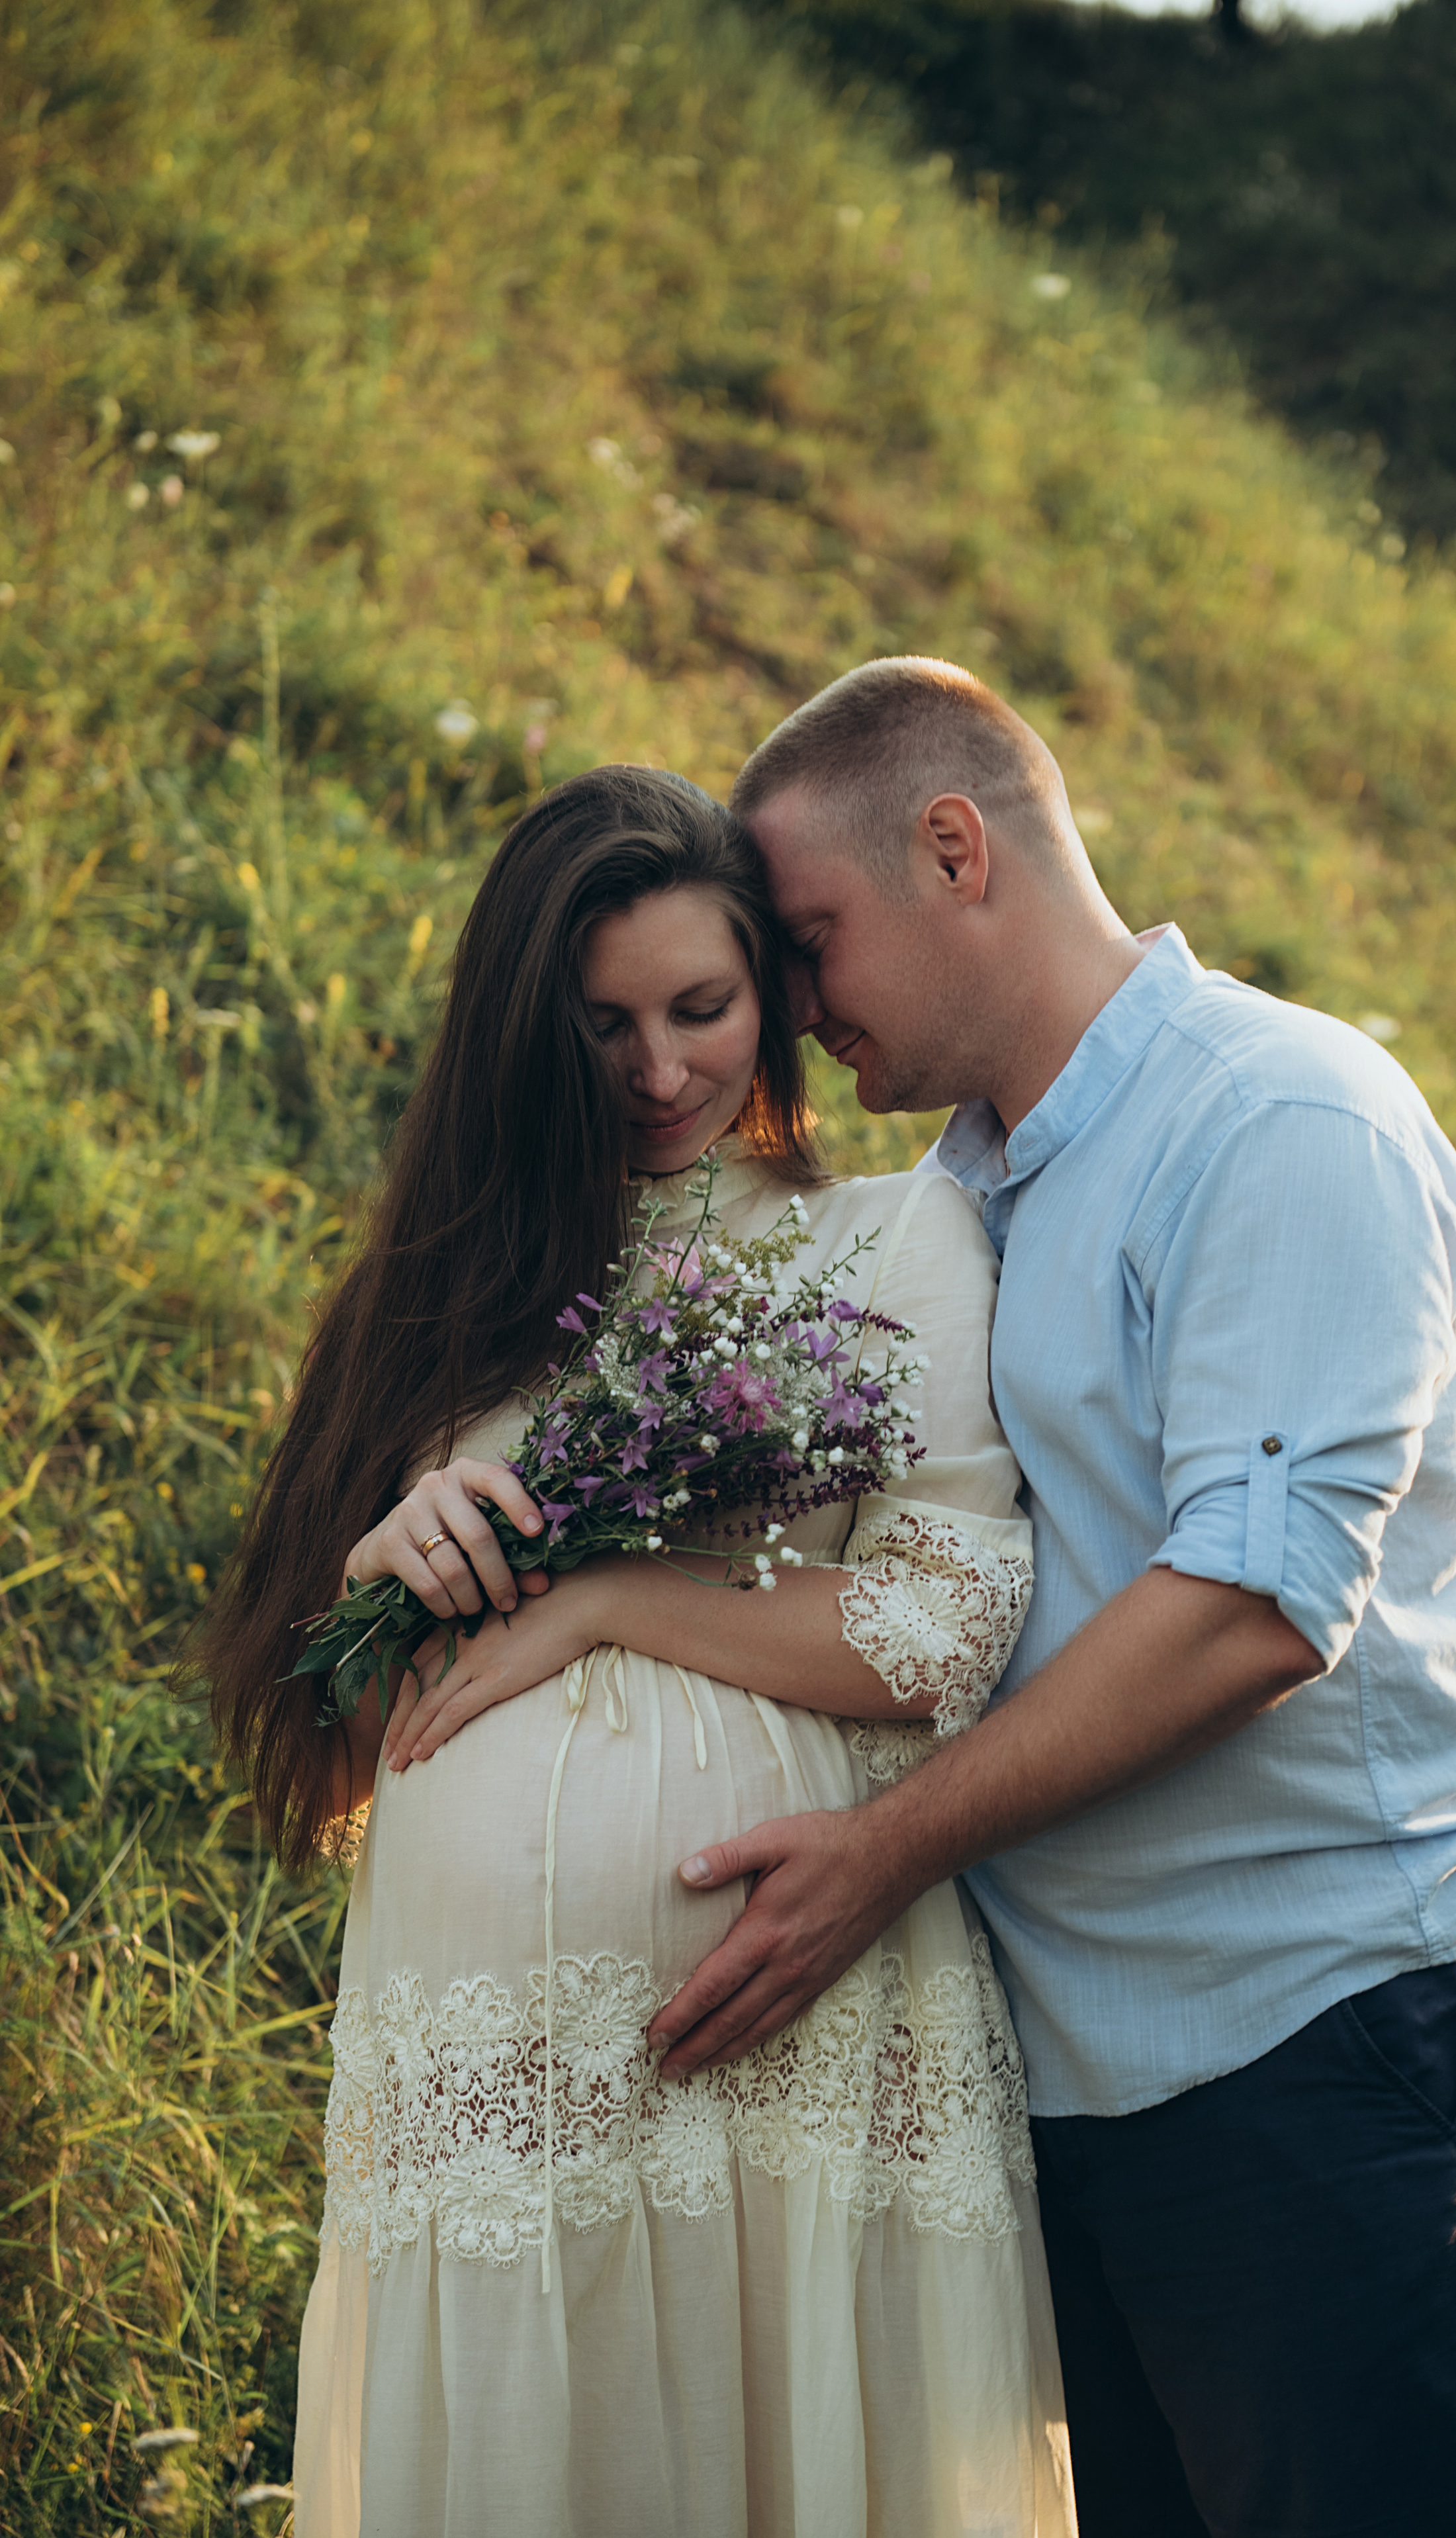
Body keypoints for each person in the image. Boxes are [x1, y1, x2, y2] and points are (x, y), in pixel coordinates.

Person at [645, 661, 1456, 2538]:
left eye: (808, 943)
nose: (796, 1010)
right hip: (1084, 2085)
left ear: (954, 849)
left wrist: (884, 1852)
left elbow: (1252, 1607)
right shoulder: (968, 1197)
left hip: (1320, 2041)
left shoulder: (1280, 1119)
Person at [200, 767, 1075, 2538]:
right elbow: (349, 1748)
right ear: (523, 1032)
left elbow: (943, 1629)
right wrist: (384, 1575)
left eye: (701, 1006)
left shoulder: (888, 1240)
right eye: (603, 1026)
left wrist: (600, 1596)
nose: (660, 1069)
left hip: (801, 2061)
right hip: (499, 2095)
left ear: (773, 995)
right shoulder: (444, 1299)